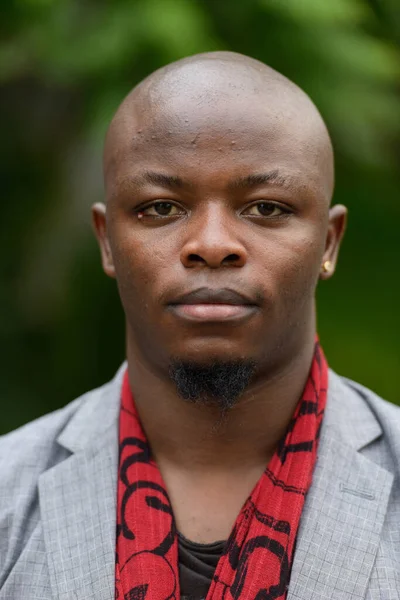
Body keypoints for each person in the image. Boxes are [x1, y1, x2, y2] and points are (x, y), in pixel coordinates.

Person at [0, 51, 399, 600]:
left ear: (328, 243)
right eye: (161, 208)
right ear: (106, 241)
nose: (212, 245)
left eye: (266, 208)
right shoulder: (8, 496)